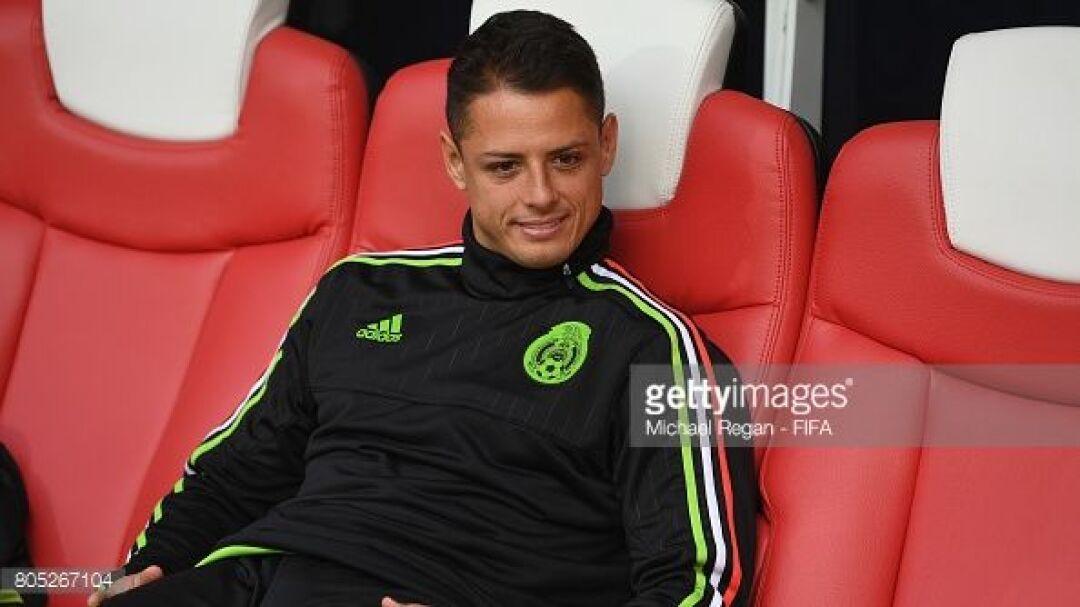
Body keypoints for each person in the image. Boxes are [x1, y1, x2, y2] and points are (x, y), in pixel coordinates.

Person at [89, 10, 756, 607]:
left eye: (566, 159)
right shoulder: (356, 291)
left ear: (606, 145)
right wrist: (151, 565)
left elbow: (695, 586)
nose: (541, 195)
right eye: (504, 166)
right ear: (455, 162)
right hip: (259, 575)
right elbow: (233, 475)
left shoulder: (658, 352)